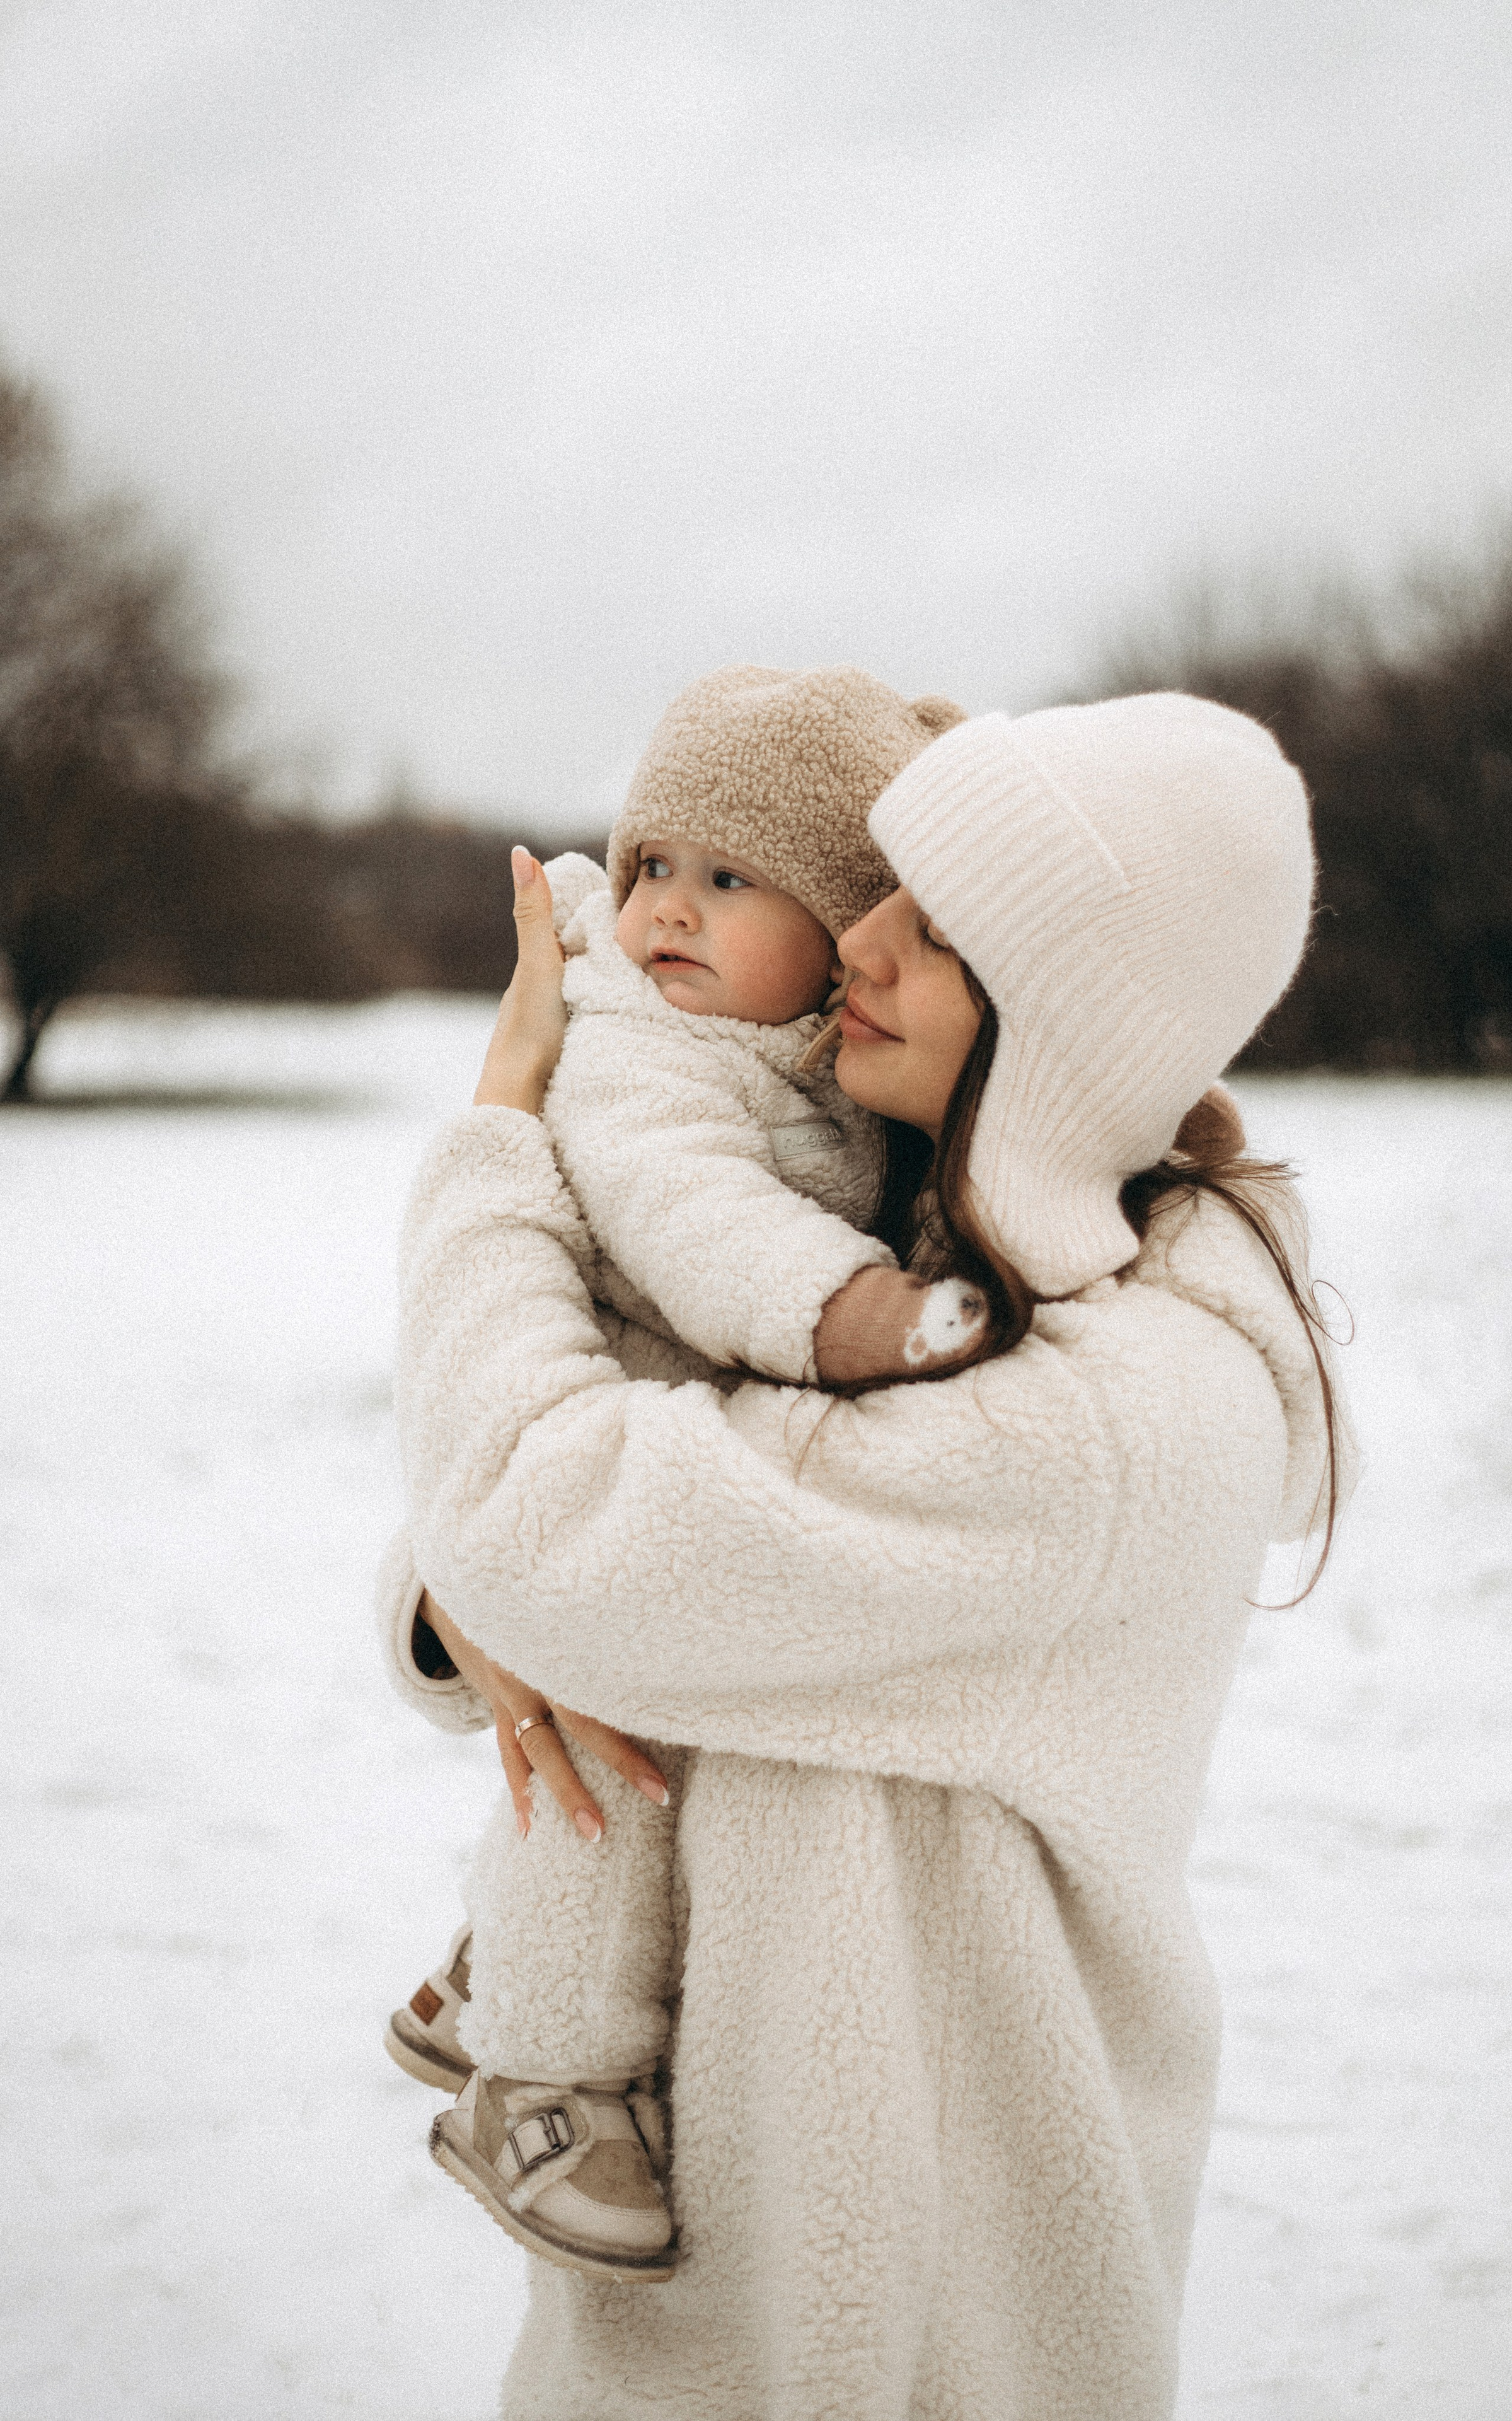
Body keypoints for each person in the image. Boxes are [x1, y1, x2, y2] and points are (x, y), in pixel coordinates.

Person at [380, 689, 1350, 2419]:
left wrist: (503, 1133)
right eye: (873, 891)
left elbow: (550, 1505)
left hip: (917, 2329)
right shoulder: (909, 1236)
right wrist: (466, 1603)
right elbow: (569, 1496)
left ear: (1063, 1018)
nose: (860, 945)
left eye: (936, 925)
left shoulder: (1123, 1421)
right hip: (708, 2310)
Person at [381, 667, 986, 2280]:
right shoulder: (651, 1056)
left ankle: (482, 1980)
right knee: (606, 1782)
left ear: (852, 925)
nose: (664, 912)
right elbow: (693, 1229)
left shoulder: (802, 1067)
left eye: (730, 880)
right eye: (651, 866)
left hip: (620, 1468)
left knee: (608, 1770)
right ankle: (546, 2084)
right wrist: (858, 1317)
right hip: (591, 1446)